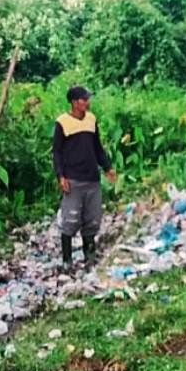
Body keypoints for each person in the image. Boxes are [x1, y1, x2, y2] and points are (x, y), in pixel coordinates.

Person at [52, 86, 116, 270]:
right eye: (83, 99)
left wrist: (107, 166)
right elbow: (56, 152)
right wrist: (61, 176)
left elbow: (97, 147)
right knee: (70, 219)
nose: (87, 102)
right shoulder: (62, 123)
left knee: (92, 218)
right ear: (74, 102)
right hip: (73, 178)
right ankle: (67, 259)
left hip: (92, 178)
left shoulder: (91, 120)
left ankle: (90, 255)